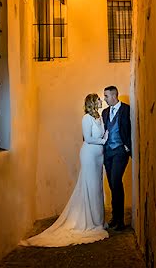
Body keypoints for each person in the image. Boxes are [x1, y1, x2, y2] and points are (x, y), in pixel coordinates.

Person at [21, 93, 109, 247]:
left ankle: (98, 220)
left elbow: (101, 134)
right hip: (89, 156)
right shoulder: (86, 118)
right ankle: (89, 221)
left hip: (99, 157)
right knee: (90, 187)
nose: (101, 100)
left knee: (97, 189)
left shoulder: (99, 117)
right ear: (92, 103)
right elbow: (87, 138)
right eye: (98, 100)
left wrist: (104, 139)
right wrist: (103, 140)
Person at [102, 85, 132, 230]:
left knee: (116, 181)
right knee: (112, 184)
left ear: (114, 96)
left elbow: (131, 128)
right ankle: (114, 217)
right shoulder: (105, 112)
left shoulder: (127, 109)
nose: (105, 99)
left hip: (120, 151)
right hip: (108, 153)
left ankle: (120, 220)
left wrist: (128, 146)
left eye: (106, 96)